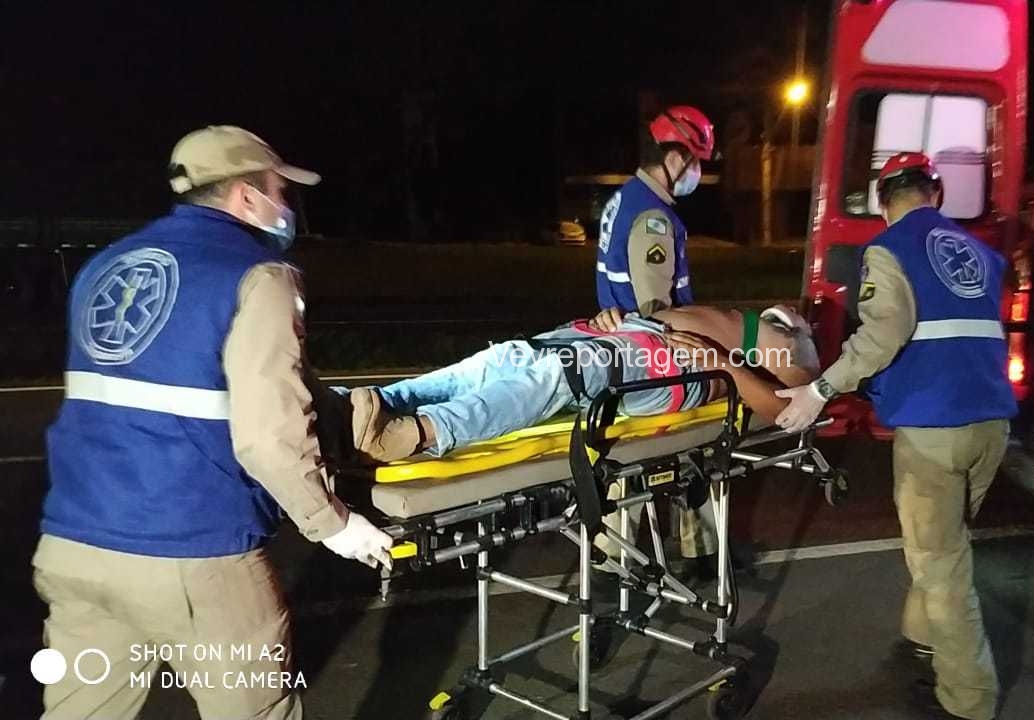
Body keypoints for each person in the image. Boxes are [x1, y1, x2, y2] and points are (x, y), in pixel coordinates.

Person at [34, 126, 393, 720]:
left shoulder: (104, 267)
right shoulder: (258, 276)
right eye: (279, 191)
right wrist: (332, 524)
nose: (286, 206)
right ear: (246, 196)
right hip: (193, 555)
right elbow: (268, 435)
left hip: (74, 547)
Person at [774, 152, 1016, 720]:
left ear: (882, 202)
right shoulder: (981, 254)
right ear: (937, 194)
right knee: (943, 547)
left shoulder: (889, 250)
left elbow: (884, 333)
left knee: (942, 567)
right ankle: (921, 639)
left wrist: (820, 391)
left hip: (934, 427)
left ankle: (968, 701)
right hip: (992, 424)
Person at [346, 304, 817, 463]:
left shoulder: (795, 348)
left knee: (568, 372)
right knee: (506, 357)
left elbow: (787, 414)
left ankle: (419, 432)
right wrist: (619, 318)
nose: (799, 307)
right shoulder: (762, 321)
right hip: (636, 335)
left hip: (674, 365)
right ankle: (372, 404)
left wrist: (722, 364)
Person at [596, 106, 715, 316]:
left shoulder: (629, 195)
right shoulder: (653, 219)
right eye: (695, 161)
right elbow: (656, 313)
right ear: (674, 158)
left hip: (622, 326)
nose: (697, 171)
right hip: (645, 334)